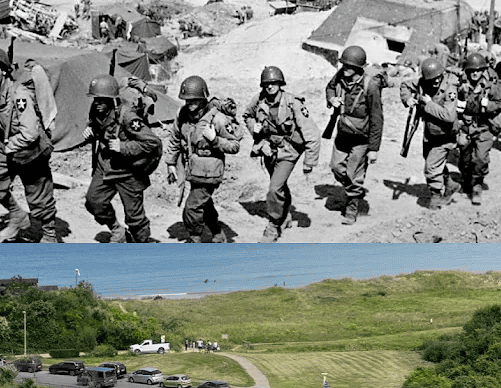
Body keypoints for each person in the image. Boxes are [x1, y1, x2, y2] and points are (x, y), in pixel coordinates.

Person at [0, 48, 59, 242]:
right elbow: (3, 117)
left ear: (4, 71)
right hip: (6, 144)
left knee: (38, 197)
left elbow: (30, 133)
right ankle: (17, 215)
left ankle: (50, 236)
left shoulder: (20, 95)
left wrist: (10, 144)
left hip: (29, 149)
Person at [243, 65, 321, 240]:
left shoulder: (293, 103)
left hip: (289, 150)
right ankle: (285, 216)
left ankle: (274, 224)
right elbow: (246, 115)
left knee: (274, 188)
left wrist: (309, 162)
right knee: (279, 185)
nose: (270, 86)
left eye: (274, 83)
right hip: (269, 149)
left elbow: (312, 133)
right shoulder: (259, 100)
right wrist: (253, 128)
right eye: (266, 83)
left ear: (280, 83)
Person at [83, 74, 162, 242]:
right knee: (94, 202)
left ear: (112, 100)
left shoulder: (127, 116)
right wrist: (91, 133)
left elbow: (152, 143)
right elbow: (98, 128)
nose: (98, 103)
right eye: (95, 99)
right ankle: (118, 232)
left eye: (102, 100)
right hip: (105, 165)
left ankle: (142, 246)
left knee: (135, 218)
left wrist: (123, 147)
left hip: (128, 171)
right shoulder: (96, 111)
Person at [164, 75, 243, 243]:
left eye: (194, 100)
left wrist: (215, 140)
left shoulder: (217, 119)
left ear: (202, 98)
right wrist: (171, 162)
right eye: (187, 100)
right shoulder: (182, 114)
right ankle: (217, 234)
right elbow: (175, 138)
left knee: (192, 207)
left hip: (210, 171)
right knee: (204, 203)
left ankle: (195, 240)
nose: (190, 103)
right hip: (193, 168)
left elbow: (235, 145)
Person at [325, 45, 383, 224]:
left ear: (358, 68)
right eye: (344, 65)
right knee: (336, 168)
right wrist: (331, 99)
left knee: (353, 174)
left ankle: (352, 205)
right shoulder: (341, 77)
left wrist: (373, 148)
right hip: (342, 134)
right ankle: (353, 189)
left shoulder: (370, 86)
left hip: (361, 139)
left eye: (349, 66)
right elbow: (330, 88)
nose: (344, 68)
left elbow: (377, 118)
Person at [400, 55, 459, 209]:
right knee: (431, 161)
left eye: (437, 79)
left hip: (445, 135)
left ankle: (436, 196)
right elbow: (405, 85)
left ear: (442, 75)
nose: (434, 83)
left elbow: (449, 115)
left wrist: (428, 104)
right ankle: (450, 184)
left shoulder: (450, 88)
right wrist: (408, 100)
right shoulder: (424, 81)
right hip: (430, 133)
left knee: (431, 168)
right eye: (431, 80)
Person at [456, 52, 501, 205]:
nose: (475, 73)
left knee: (481, 158)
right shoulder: (460, 85)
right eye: (472, 71)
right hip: (465, 127)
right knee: (465, 159)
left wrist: (487, 105)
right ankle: (466, 179)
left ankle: (477, 184)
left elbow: (498, 105)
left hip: (484, 127)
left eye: (478, 70)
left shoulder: (491, 85)